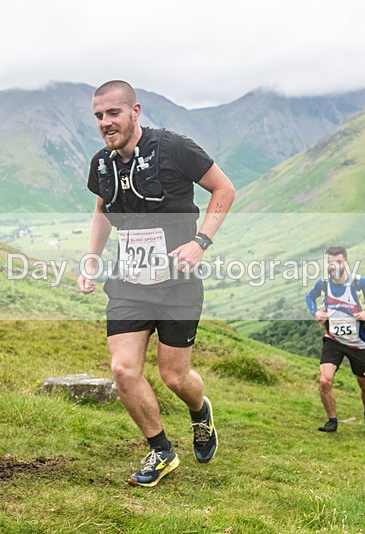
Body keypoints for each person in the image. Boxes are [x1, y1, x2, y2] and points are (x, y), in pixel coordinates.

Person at [78, 80, 235, 487]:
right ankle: (161, 450)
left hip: (178, 285)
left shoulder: (174, 148)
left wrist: (201, 242)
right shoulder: (101, 163)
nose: (105, 122)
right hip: (129, 282)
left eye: (113, 113)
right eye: (98, 116)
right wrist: (92, 258)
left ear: (135, 111)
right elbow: (102, 211)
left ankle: (200, 412)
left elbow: (224, 189)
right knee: (123, 369)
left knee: (175, 377)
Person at [305, 246, 365, 435]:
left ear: (345, 262)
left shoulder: (359, 283)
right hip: (334, 340)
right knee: (325, 381)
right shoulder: (324, 284)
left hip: (358, 343)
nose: (334, 266)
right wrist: (316, 313)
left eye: (338, 262)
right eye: (330, 262)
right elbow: (309, 297)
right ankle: (332, 421)